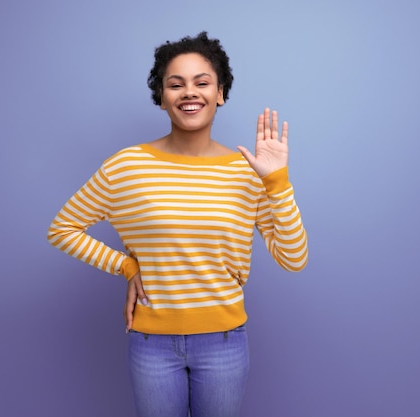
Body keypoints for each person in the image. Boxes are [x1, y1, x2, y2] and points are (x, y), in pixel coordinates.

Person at [47, 31, 308, 417]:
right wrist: (125, 265)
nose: (190, 92)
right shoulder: (127, 166)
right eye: (176, 84)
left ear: (219, 93)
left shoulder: (247, 172)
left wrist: (276, 181)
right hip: (151, 342)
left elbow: (293, 258)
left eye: (202, 82)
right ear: (162, 96)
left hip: (224, 342)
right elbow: (62, 229)